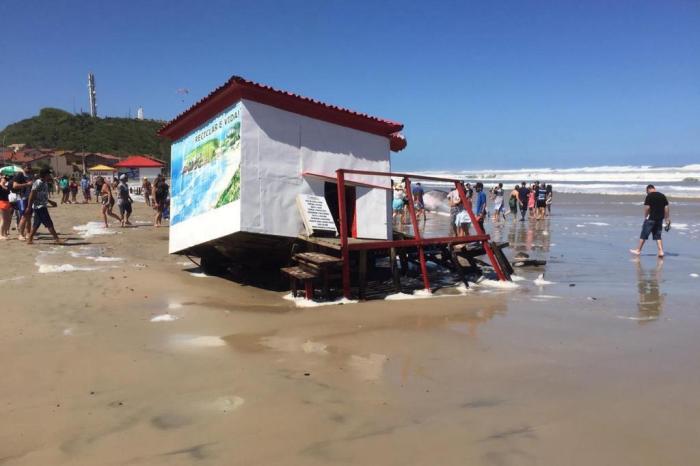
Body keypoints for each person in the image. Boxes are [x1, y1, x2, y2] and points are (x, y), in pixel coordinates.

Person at [630, 184, 670, 258]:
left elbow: (647, 208)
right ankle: (661, 251)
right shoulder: (662, 196)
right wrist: (666, 218)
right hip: (659, 219)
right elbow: (666, 208)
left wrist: (646, 216)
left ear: (648, 190)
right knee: (658, 236)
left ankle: (638, 250)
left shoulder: (649, 196)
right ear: (654, 188)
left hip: (651, 219)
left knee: (644, 234)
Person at [25, 168, 60, 245]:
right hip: (39, 207)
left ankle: (30, 239)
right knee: (49, 223)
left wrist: (51, 202)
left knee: (36, 224)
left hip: (42, 205)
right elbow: (32, 195)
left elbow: (43, 195)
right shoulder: (38, 182)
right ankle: (56, 239)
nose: (50, 175)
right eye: (49, 174)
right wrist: (29, 207)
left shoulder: (45, 183)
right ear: (45, 175)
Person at [10, 164, 33, 240]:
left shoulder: (30, 175)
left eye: (30, 167)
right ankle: (20, 234)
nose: (29, 169)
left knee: (29, 217)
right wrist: (27, 184)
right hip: (22, 198)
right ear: (23, 168)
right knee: (24, 216)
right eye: (28, 167)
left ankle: (28, 233)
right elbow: (15, 186)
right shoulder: (20, 174)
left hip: (29, 198)